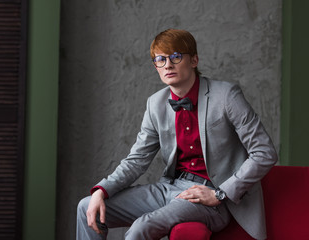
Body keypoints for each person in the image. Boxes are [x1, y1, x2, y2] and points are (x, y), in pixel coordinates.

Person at [77, 29, 277, 240]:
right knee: (86, 206)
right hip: (170, 188)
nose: (168, 65)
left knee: (140, 228)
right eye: (160, 59)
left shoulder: (226, 96)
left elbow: (264, 152)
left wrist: (220, 193)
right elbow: (137, 160)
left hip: (211, 197)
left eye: (176, 56)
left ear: (194, 60)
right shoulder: (155, 104)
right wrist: (101, 190)